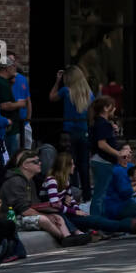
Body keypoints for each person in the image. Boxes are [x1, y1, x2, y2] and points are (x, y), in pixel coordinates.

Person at [42, 151, 136, 238]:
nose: (74, 166)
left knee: (96, 220)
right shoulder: (51, 181)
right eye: (72, 164)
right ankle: (134, 225)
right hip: (62, 215)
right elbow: (55, 204)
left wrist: (77, 210)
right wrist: (74, 211)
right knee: (97, 221)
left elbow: (71, 200)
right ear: (65, 166)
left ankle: (135, 225)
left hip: (68, 213)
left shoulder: (66, 181)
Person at [0, 148, 91, 246]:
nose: (40, 163)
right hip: (11, 219)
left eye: (39, 161)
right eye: (35, 162)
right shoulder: (16, 181)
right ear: (25, 165)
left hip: (23, 215)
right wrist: (47, 215)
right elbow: (24, 210)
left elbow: (34, 204)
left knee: (57, 216)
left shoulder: (30, 181)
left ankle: (68, 236)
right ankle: (64, 238)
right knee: (43, 219)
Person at [50, 65, 96, 202]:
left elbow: (51, 97)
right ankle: (87, 197)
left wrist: (57, 81)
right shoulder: (90, 94)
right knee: (84, 166)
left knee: (70, 166)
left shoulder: (65, 91)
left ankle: (73, 196)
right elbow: (92, 116)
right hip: (84, 133)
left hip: (69, 134)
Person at [102, 145, 136, 235]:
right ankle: (133, 226)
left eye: (130, 151)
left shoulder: (130, 167)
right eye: (126, 151)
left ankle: (135, 226)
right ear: (119, 153)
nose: (129, 153)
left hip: (127, 202)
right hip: (116, 206)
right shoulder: (117, 170)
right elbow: (124, 191)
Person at [88, 96, 123, 217]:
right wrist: (118, 153)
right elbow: (102, 144)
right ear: (106, 108)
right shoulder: (102, 124)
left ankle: (101, 224)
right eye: (112, 107)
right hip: (103, 161)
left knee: (101, 194)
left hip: (101, 161)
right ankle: (96, 226)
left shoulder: (100, 123)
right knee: (100, 195)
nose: (114, 109)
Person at [0, 60, 26, 160]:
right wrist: (20, 104)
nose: (15, 69)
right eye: (13, 66)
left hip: (5, 127)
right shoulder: (0, 83)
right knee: (11, 157)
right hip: (7, 128)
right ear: (6, 68)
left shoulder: (1, 82)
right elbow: (3, 105)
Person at [8, 53, 33, 151]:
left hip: (25, 122)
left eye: (13, 61)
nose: (11, 64)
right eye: (8, 61)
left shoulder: (22, 79)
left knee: (27, 150)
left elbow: (28, 100)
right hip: (12, 123)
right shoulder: (3, 80)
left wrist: (29, 119)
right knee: (14, 151)